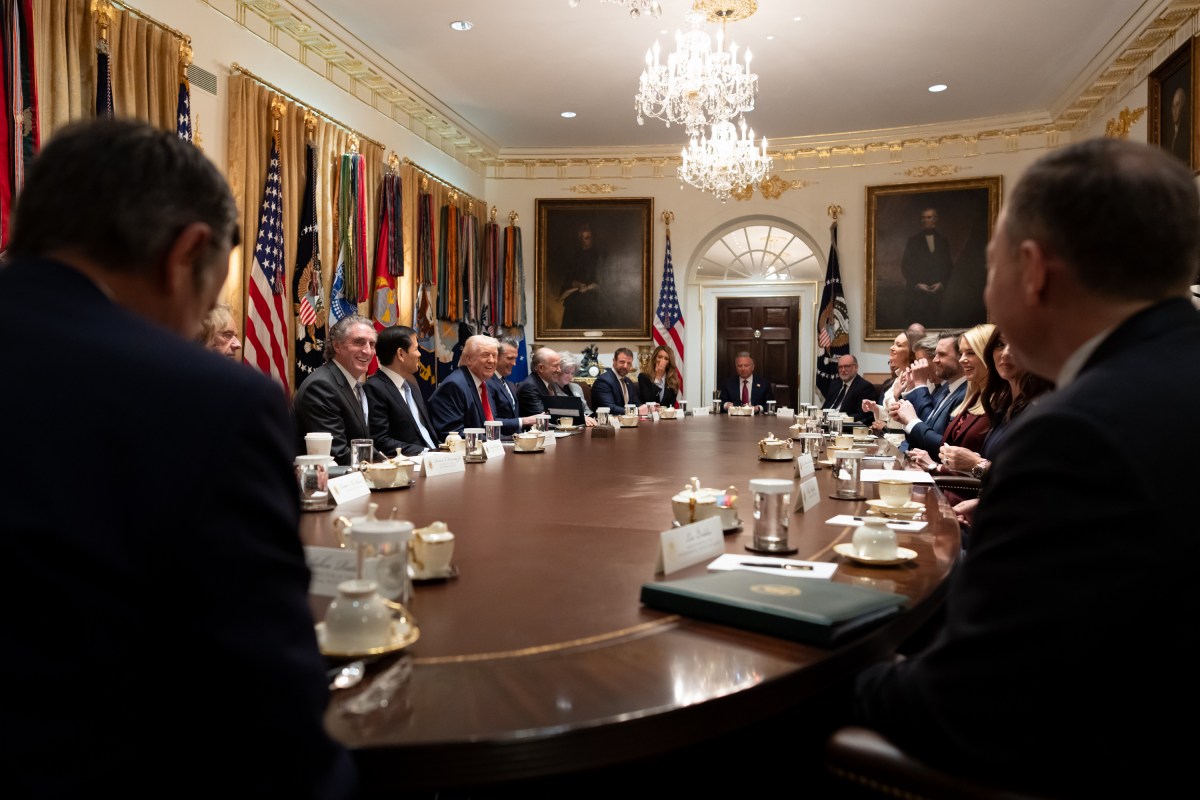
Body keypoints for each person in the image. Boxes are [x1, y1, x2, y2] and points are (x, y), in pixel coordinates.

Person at [0, 119, 354, 796]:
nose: (199, 327)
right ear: (185, 253)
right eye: (208, 295)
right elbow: (266, 712)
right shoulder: (207, 401)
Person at [854, 137, 1200, 796]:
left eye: (989, 267)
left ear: (1033, 270)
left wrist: (821, 665)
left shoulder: (1078, 432)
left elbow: (964, 708)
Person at [948, 327, 1054, 528]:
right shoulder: (1004, 405)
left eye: (1017, 345)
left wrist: (977, 465)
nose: (1006, 353)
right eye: (1000, 345)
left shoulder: (1042, 407)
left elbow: (1037, 485)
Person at [904, 323, 994, 469]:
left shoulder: (973, 394)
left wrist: (911, 420)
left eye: (970, 353)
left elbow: (945, 444)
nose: (935, 360)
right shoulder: (950, 390)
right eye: (963, 353)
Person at [293, 315, 377, 466]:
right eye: (359, 342)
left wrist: (392, 463)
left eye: (372, 344)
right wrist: (386, 469)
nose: (368, 351)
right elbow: (336, 454)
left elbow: (362, 445)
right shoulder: (321, 387)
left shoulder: (351, 384)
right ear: (337, 346)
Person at [364, 325, 438, 457]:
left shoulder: (412, 387)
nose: (420, 354)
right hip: (409, 465)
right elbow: (380, 441)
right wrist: (426, 453)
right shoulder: (374, 388)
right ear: (401, 354)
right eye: (416, 349)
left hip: (435, 458)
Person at [888, 332, 966, 454]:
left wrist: (919, 386)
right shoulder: (945, 389)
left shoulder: (964, 393)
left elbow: (943, 444)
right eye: (935, 355)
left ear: (960, 357)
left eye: (942, 354)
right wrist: (905, 419)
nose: (935, 360)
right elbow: (922, 431)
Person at [429, 334, 500, 440]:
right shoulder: (454, 385)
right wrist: (496, 441)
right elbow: (453, 434)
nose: (491, 360)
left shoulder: (484, 384)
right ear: (468, 359)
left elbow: (489, 424)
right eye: (485, 355)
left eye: (494, 355)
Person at [900, 208, 953, 324]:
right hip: (916, 297)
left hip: (937, 296)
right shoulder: (913, 241)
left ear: (935, 219)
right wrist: (916, 284)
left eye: (928, 217)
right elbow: (905, 266)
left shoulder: (943, 241)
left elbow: (948, 266)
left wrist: (942, 284)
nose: (925, 220)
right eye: (923, 218)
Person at [489, 336, 537, 436]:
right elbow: (491, 420)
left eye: (515, 358)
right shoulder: (487, 383)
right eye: (510, 358)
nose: (514, 363)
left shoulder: (508, 384)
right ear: (495, 357)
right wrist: (524, 421)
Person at [558, 223, 603, 329]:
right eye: (582, 238)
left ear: (592, 238)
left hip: (592, 301)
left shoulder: (599, 256)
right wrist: (576, 283)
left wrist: (589, 287)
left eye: (587, 238)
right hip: (575, 299)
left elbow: (603, 280)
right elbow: (569, 278)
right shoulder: (575, 256)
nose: (584, 241)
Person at [821, 354, 875, 425]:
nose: (843, 370)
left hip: (843, 426)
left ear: (856, 367)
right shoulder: (834, 384)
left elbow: (864, 415)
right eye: (840, 367)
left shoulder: (865, 387)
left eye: (846, 366)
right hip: (826, 423)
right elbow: (826, 407)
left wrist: (840, 418)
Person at [590, 347, 645, 412]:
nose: (625, 366)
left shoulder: (628, 381)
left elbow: (636, 403)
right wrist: (635, 411)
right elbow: (610, 408)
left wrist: (649, 408)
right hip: (606, 421)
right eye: (622, 362)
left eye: (629, 363)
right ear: (614, 361)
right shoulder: (603, 381)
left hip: (627, 420)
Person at [556, 350, 597, 426]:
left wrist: (594, 418)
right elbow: (558, 414)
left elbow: (587, 411)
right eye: (567, 372)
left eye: (572, 373)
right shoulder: (551, 389)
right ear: (558, 370)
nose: (570, 377)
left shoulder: (576, 387)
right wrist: (581, 418)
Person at [518, 346, 562, 415]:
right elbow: (542, 417)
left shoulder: (550, 385)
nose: (559, 370)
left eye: (559, 365)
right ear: (541, 368)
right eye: (555, 366)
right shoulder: (529, 387)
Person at [1168, 85, 1190, 162]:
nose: (1174, 110)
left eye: (1177, 105)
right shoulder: (1170, 135)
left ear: (1183, 106)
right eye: (1173, 106)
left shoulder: (1187, 133)